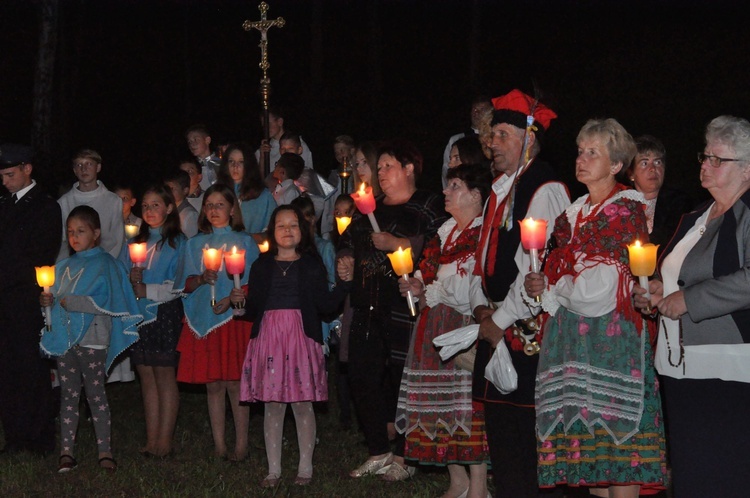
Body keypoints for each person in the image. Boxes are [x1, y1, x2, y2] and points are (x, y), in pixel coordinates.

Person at [526, 118, 667, 497]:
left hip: (612, 345)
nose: (581, 159)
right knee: (594, 460)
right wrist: (539, 285)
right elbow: (562, 276)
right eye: (579, 151)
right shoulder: (573, 214)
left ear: (616, 165)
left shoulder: (623, 211)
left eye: (593, 153)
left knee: (619, 454)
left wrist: (556, 287)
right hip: (575, 344)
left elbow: (598, 293)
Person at [633, 115, 750, 498]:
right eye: (704, 155)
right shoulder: (695, 216)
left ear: (747, 169)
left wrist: (689, 300)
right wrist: (656, 292)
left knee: (723, 474)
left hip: (728, 366)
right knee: (689, 475)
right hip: (679, 366)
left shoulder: (747, 214)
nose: (704, 164)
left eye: (718, 159)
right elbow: (676, 277)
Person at [468, 89, 569, 498]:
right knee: (503, 440)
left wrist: (498, 321)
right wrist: (479, 306)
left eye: (502, 135)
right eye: (492, 135)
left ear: (528, 139)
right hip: (496, 327)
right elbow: (483, 257)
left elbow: (539, 270)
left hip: (527, 333)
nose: (492, 143)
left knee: (528, 444)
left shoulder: (543, 189)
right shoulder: (500, 190)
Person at [338, 139, 447, 481]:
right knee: (362, 375)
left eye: (388, 166)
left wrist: (398, 245)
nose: (380, 173)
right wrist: (346, 261)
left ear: (409, 168)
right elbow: (350, 239)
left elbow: (440, 244)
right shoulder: (370, 207)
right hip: (366, 303)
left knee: (403, 380)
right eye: (379, 167)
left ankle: (405, 454)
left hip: (405, 305)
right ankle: (377, 450)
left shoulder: (427, 203)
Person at [231, 205, 352, 488]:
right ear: (272, 232)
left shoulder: (312, 265)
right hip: (270, 338)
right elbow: (253, 308)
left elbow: (325, 305)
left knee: (301, 402)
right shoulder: (261, 265)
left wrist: (345, 286)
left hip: (301, 337)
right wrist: (240, 302)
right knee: (272, 404)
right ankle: (273, 469)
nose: (287, 230)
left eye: (293, 224)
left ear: (303, 230)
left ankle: (305, 468)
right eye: (281, 225)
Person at [395, 164, 493, 498]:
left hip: (462, 325)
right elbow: (428, 270)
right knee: (439, 404)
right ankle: (458, 480)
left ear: (476, 194)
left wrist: (431, 289)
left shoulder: (483, 232)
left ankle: (478, 485)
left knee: (466, 402)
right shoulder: (445, 232)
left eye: (454, 185)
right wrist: (415, 283)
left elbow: (471, 286)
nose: (446, 192)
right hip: (433, 324)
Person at [40, 205, 142, 472]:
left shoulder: (107, 264)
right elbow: (55, 306)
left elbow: (110, 302)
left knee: (96, 394)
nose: (74, 237)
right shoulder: (62, 266)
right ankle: (66, 452)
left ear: (96, 233)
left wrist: (73, 301)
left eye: (81, 231)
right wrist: (46, 302)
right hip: (66, 341)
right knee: (68, 395)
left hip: (94, 339)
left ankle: (105, 451)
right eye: (70, 231)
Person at [173, 183, 259, 461]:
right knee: (214, 385)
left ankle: (241, 444)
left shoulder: (244, 241)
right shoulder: (194, 243)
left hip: (233, 320)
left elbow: (255, 282)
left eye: (219, 204)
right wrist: (201, 279)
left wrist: (234, 298)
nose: (213, 210)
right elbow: (183, 284)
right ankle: (220, 445)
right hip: (205, 317)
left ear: (232, 209)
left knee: (235, 383)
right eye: (208, 205)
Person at [0, 143, 61, 456]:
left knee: (32, 369)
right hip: (5, 302)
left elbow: (39, 256)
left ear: (27, 168)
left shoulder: (45, 207)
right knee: (7, 369)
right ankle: (15, 436)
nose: (5, 180)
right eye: (2, 175)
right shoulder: (4, 204)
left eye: (10, 174)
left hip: (26, 300)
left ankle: (39, 438)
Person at [122, 185, 185, 457]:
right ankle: (151, 439)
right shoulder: (137, 243)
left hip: (165, 312)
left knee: (163, 374)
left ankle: (165, 440)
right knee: (146, 375)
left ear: (169, 208)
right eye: (145, 206)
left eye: (156, 205)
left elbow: (180, 283)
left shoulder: (178, 243)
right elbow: (128, 274)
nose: (149, 210)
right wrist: (132, 279)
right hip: (141, 315)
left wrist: (148, 290)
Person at [625, 135, 692, 252]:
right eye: (644, 163)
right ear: (631, 173)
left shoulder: (679, 203)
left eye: (657, 162)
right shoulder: (621, 204)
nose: (652, 168)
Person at [57, 149, 124, 262]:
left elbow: (117, 239)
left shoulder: (113, 201)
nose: (84, 169)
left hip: (104, 262)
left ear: (98, 168)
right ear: (74, 170)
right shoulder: (63, 202)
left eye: (89, 164)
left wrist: (104, 263)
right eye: (79, 165)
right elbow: (63, 241)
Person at [291, 195, 337, 352]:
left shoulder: (324, 248)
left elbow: (333, 282)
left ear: (312, 220)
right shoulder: (290, 250)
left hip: (317, 314)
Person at [216, 142, 276, 244]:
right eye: (231, 161)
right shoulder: (217, 193)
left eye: (241, 162)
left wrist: (252, 238)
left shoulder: (263, 195)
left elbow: (273, 229)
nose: (235, 166)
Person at [441, 96, 493, 188]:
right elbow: (446, 170)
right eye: (474, 109)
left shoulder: (494, 139)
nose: (476, 113)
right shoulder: (456, 139)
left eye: (482, 109)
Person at [256, 105, 314, 179]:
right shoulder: (262, 150)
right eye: (263, 125)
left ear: (280, 122)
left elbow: (308, 175)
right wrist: (262, 158)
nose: (266, 128)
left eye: (268, 124)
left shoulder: (298, 145)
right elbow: (260, 181)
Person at [185, 124, 221, 191]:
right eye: (190, 142)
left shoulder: (221, 163)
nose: (192, 144)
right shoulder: (190, 167)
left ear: (207, 140)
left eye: (196, 140)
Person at [164, 170, 199, 238]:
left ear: (185, 190)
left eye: (172, 189)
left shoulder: (190, 215)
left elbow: (191, 243)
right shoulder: (166, 211)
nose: (168, 192)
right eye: (166, 189)